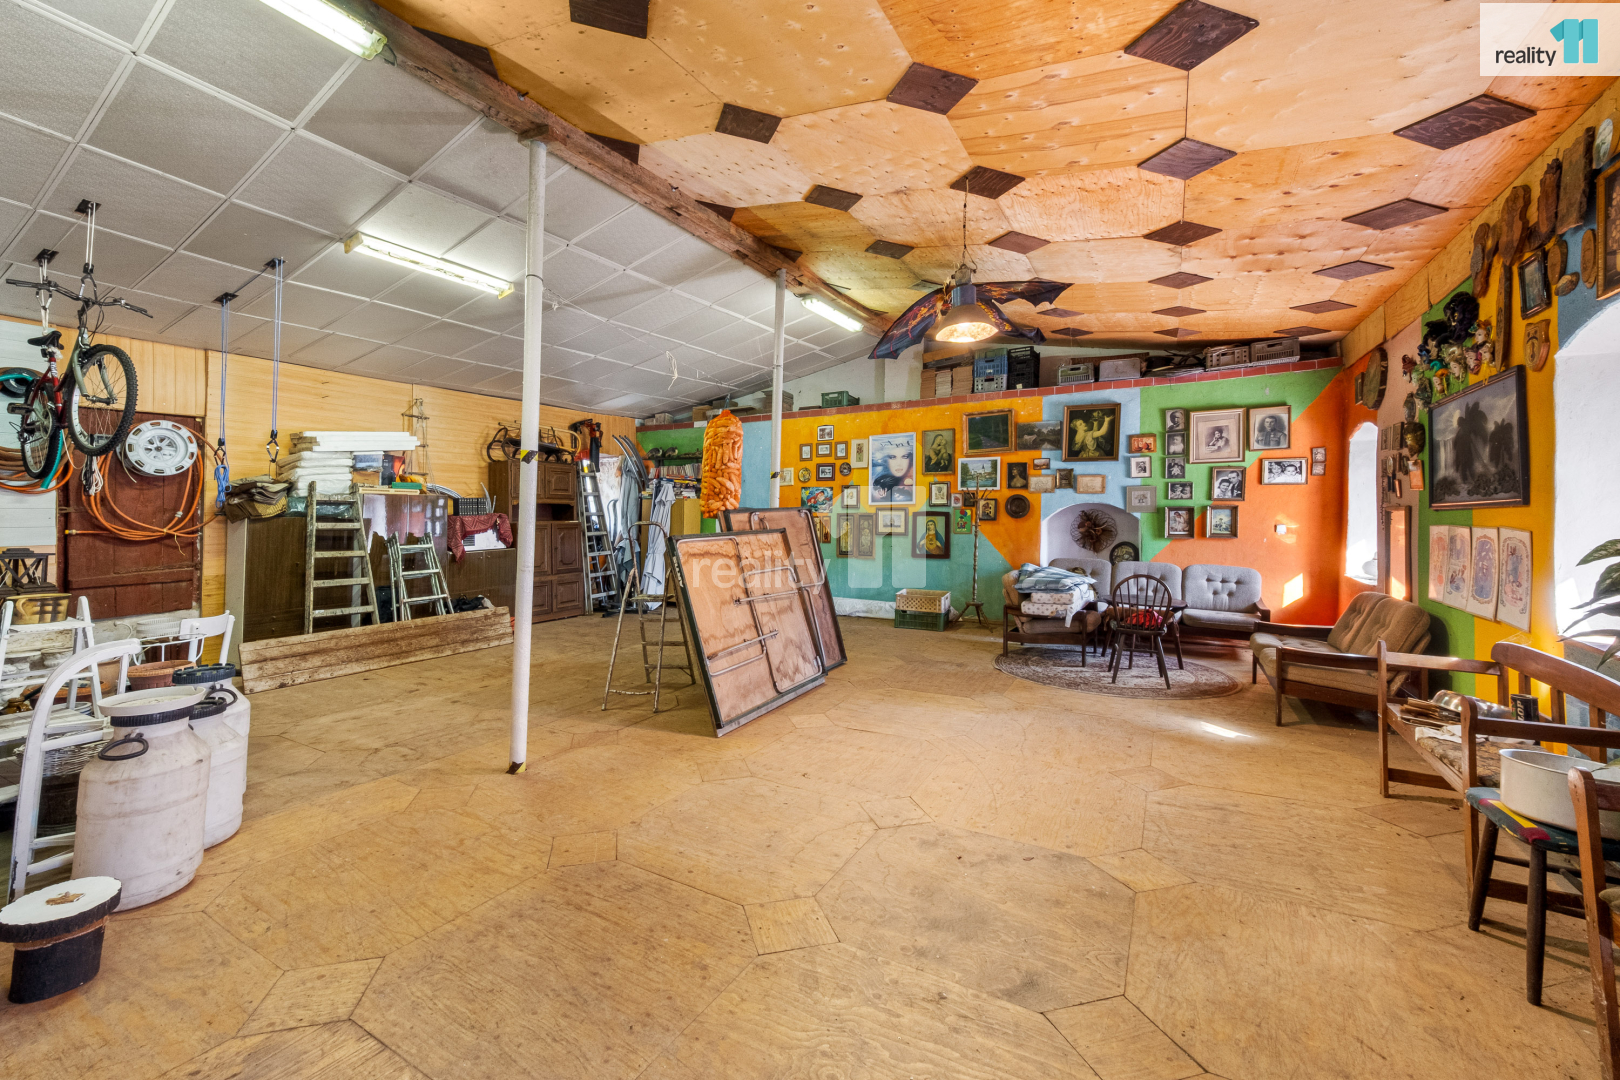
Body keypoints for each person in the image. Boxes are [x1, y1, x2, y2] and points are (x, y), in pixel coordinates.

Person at [870, 437, 914, 504]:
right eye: (892, 457)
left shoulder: (912, 482)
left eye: (905, 457)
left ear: (910, 459)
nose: (899, 463)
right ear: (886, 460)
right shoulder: (879, 480)